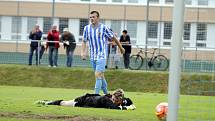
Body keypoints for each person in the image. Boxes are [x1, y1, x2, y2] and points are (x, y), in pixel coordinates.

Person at [81, 11, 125, 94]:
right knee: (101, 76)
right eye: (90, 17)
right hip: (93, 56)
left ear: (98, 18)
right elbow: (84, 41)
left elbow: (114, 38)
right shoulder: (86, 28)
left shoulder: (103, 28)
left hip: (101, 55)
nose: (91, 19)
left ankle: (95, 95)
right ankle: (107, 95)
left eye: (93, 17)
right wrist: (83, 52)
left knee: (97, 75)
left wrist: (121, 47)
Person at [35, 88, 136, 110]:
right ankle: (47, 102)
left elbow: (128, 100)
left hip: (89, 97)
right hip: (83, 101)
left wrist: (128, 103)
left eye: (117, 100)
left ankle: (47, 101)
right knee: (64, 103)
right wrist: (129, 107)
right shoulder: (107, 100)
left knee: (65, 102)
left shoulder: (114, 98)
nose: (115, 101)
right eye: (115, 99)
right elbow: (115, 108)